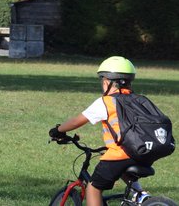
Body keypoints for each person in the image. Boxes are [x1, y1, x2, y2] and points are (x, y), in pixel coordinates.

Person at [48, 56, 143, 206]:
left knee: (93, 188)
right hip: (144, 151)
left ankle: (140, 198)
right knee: (123, 169)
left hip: (123, 153)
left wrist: (57, 130)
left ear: (107, 81)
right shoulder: (139, 100)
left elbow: (76, 121)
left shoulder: (106, 102)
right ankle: (142, 197)